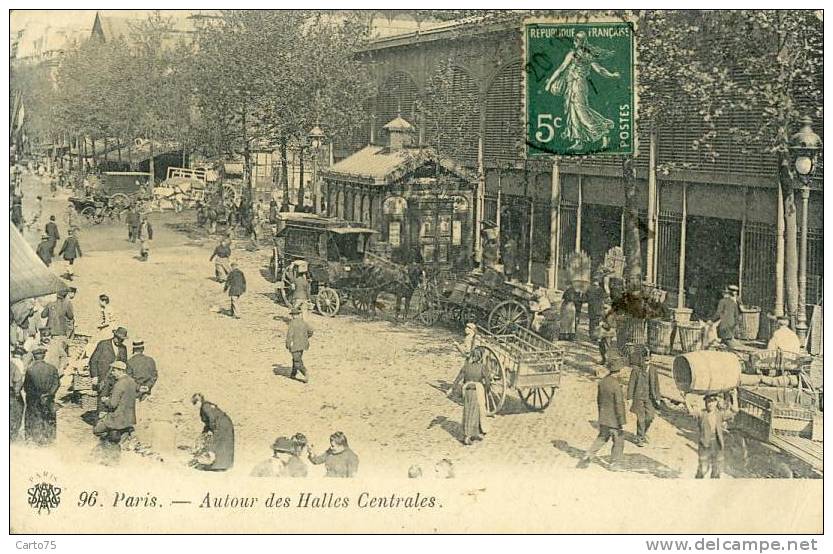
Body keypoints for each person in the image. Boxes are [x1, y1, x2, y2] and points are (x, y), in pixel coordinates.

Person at [545, 30, 621, 151]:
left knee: (581, 111)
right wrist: (611, 75)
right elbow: (562, 69)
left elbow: (599, 69)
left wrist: (611, 75)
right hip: (572, 85)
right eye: (575, 40)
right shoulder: (578, 54)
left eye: (576, 40)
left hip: (579, 85)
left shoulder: (582, 55)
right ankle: (578, 141)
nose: (575, 42)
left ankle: (603, 132)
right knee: (573, 111)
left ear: (579, 41)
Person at [577, 363, 626, 470]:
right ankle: (615, 463)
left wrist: (601, 415)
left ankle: (588, 455)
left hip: (604, 417)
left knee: (602, 438)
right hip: (614, 420)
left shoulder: (602, 382)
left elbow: (599, 400)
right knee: (619, 440)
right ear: (618, 372)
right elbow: (619, 404)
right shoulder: (616, 385)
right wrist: (621, 420)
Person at [690, 393, 738, 479]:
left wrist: (734, 396)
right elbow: (691, 411)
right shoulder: (702, 414)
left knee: (716, 471)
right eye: (708, 402)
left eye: (712, 401)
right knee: (703, 469)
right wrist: (686, 399)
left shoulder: (720, 414)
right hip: (705, 445)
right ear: (705, 403)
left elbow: (735, 410)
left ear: (716, 402)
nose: (710, 404)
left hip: (717, 444)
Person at [23, 346, 60, 446]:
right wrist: (49, 394)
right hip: (48, 398)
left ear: (34, 357)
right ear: (44, 356)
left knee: (34, 418)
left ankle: (34, 439)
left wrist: (36, 396)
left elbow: (26, 387)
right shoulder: (52, 368)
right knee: (49, 417)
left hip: (34, 399)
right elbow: (56, 384)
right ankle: (49, 439)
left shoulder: (30, 370)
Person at [93, 361, 137, 444]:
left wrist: (105, 400)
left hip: (117, 418)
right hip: (129, 418)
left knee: (96, 430)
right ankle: (126, 432)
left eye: (114, 370)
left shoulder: (119, 384)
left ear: (121, 371)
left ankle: (113, 436)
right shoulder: (132, 381)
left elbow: (112, 404)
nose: (112, 373)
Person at [88, 327, 129, 414]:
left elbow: (124, 364)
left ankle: (111, 423)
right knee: (102, 400)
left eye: (122, 340)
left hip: (116, 380)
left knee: (114, 401)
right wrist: (94, 376)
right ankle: (100, 423)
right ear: (114, 335)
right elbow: (93, 360)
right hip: (104, 378)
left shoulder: (123, 348)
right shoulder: (103, 344)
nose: (120, 341)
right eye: (118, 338)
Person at [626, 346, 662, 446]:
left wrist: (658, 398)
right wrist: (629, 398)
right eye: (644, 360)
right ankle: (640, 438)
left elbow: (656, 385)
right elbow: (631, 384)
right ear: (641, 359)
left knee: (650, 416)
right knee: (641, 418)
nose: (646, 363)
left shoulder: (654, 370)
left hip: (649, 398)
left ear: (651, 359)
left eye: (648, 360)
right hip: (638, 398)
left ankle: (642, 433)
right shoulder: (636, 370)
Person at [191, 393, 235, 471]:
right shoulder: (206, 406)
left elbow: (211, 418)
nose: (195, 406)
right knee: (222, 444)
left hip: (222, 425)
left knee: (219, 444)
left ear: (198, 402)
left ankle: (219, 466)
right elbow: (208, 422)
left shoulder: (205, 407)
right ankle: (221, 465)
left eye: (195, 403)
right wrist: (204, 432)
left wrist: (211, 430)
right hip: (224, 424)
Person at [455, 348, 490, 445]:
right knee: (476, 412)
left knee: (467, 411)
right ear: (480, 358)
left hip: (467, 391)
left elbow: (458, 379)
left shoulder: (466, 367)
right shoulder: (482, 367)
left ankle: (472, 433)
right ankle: (469, 436)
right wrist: (487, 389)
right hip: (477, 391)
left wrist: (454, 390)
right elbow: (487, 381)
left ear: (472, 357)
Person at [286, 306, 314, 383]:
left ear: (292, 315)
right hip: (303, 345)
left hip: (295, 345)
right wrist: (305, 338)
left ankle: (305, 373)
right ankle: (293, 374)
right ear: (298, 314)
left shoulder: (292, 323)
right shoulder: (303, 322)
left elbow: (289, 335)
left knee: (297, 361)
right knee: (297, 358)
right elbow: (311, 331)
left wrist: (288, 345)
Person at [10, 346, 27, 441]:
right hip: (12, 391)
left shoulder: (12, 362)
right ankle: (13, 433)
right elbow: (18, 379)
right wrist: (17, 392)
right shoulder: (17, 364)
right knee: (17, 410)